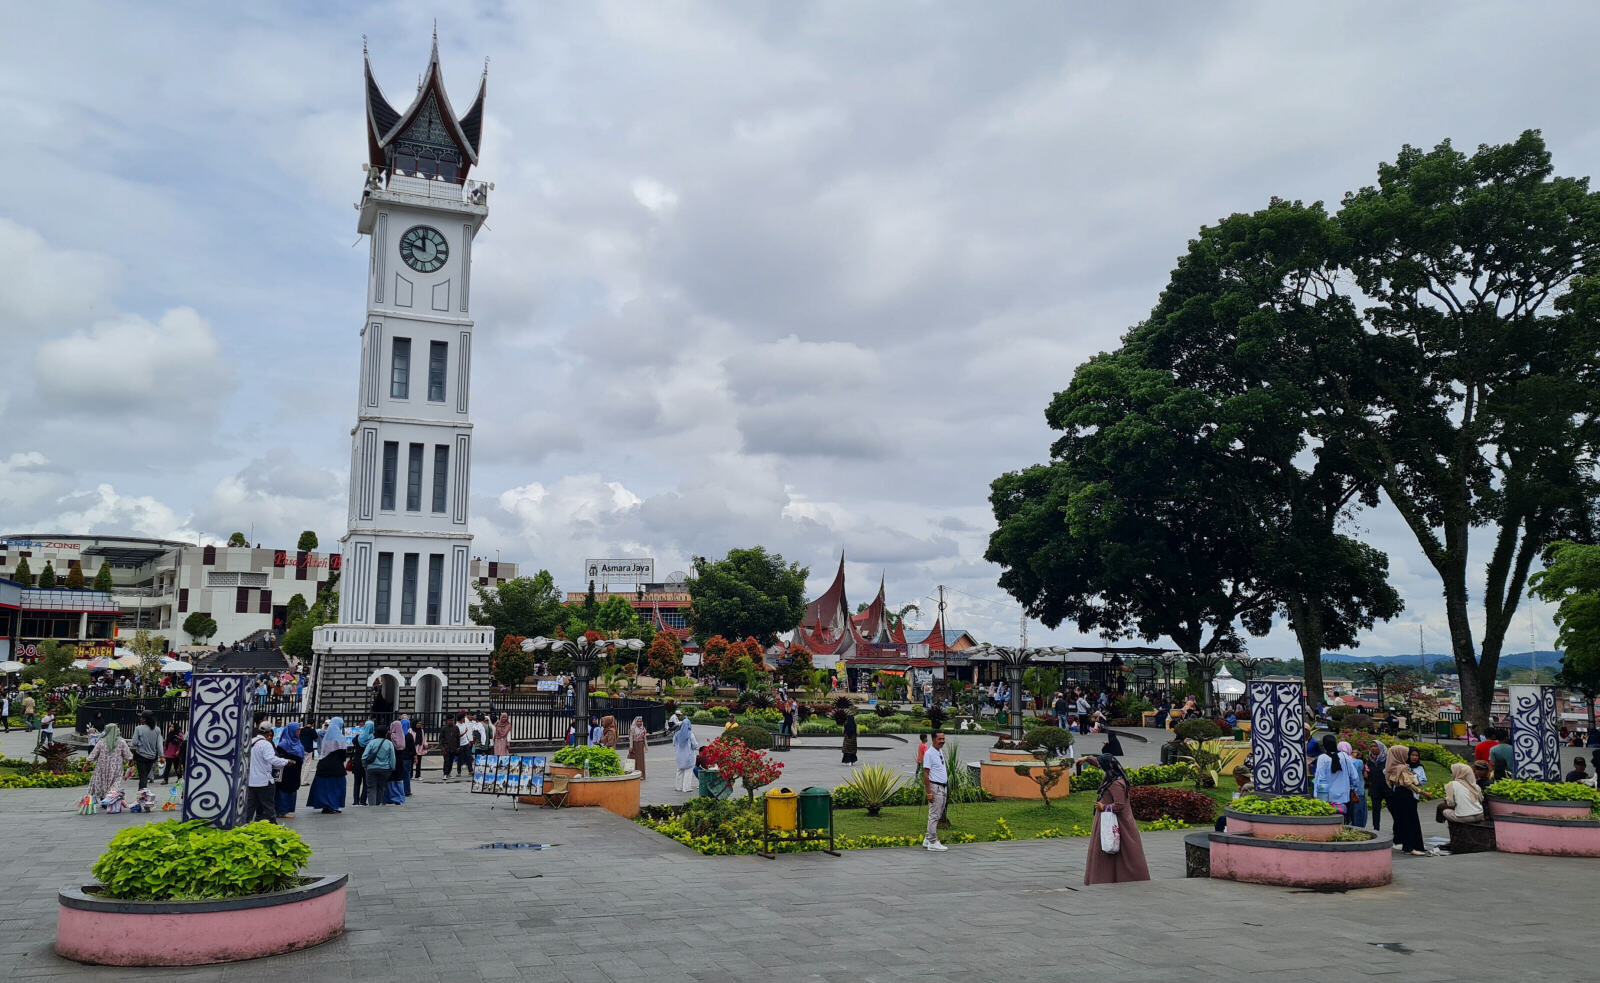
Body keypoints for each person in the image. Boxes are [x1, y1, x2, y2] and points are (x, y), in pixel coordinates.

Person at [1084, 753, 1150, 884]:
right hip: (1109, 820)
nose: (1100, 768)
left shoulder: (1115, 783)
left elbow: (1120, 805)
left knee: (1118, 850)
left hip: (1117, 823)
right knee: (1110, 851)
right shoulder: (1113, 776)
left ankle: (1113, 878)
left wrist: (1104, 807)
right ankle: (1109, 878)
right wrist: (1086, 759)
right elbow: (1100, 761)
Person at [1384, 745, 1429, 856]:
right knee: (1409, 821)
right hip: (1405, 796)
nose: (1407, 756)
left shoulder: (1394, 766)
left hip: (1401, 795)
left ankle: (1413, 846)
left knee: (1408, 821)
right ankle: (1409, 847)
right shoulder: (1400, 768)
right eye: (1406, 753)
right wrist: (1423, 792)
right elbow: (1409, 784)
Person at [245, 725, 289, 824]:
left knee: (250, 806)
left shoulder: (251, 742)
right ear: (269, 733)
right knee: (268, 806)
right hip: (264, 781)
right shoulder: (265, 744)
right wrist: (286, 762)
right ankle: (274, 826)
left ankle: (245, 825)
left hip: (251, 781)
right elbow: (272, 759)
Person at [307, 716, 348, 814]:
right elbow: (343, 755)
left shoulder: (326, 737)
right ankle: (334, 805)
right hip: (337, 766)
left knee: (324, 787)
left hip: (323, 765)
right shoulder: (340, 738)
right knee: (336, 787)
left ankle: (326, 805)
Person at [86, 722, 133, 803]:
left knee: (102, 782)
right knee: (115, 783)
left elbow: (93, 754)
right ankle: (110, 798)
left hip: (102, 767)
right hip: (116, 767)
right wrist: (130, 762)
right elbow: (127, 754)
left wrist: (87, 763)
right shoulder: (121, 742)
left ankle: (104, 798)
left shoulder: (101, 742)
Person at [921, 731, 949, 851]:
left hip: (942, 787)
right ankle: (933, 842)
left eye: (943, 739)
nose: (942, 741)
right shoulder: (929, 754)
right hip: (935, 787)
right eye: (939, 739)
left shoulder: (939, 751)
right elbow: (926, 774)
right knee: (934, 815)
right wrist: (929, 793)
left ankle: (928, 838)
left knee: (936, 814)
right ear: (933, 739)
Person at [1313, 734, 1352, 814]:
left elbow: (1320, 778)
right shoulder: (1344, 756)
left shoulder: (1322, 758)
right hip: (1343, 797)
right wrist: (1354, 788)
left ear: (1324, 745)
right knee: (1343, 820)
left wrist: (1316, 795)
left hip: (1327, 797)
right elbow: (1353, 775)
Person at [273, 723, 305, 819]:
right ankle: (282, 811)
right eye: (297, 730)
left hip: (295, 771)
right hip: (286, 772)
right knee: (284, 789)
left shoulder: (298, 742)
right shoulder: (284, 744)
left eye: (299, 730)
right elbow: (279, 758)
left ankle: (287, 809)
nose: (299, 732)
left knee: (292, 788)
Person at [361, 724, 396, 807]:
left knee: (371, 787)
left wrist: (366, 766)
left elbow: (364, 757)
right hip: (385, 769)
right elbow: (392, 758)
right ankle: (378, 803)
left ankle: (372, 805)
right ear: (386, 733)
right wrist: (392, 768)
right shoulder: (389, 743)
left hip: (371, 768)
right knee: (381, 787)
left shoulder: (371, 742)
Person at [1340, 741, 1368, 828]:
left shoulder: (1339, 760)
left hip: (1344, 791)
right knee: (1358, 814)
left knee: (1347, 813)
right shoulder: (1358, 762)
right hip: (1357, 791)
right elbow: (1357, 777)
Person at [130, 713, 162, 790]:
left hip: (140, 755)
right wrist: (162, 756)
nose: (140, 719)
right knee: (145, 775)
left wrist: (141, 743)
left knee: (142, 776)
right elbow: (159, 744)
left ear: (145, 719)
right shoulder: (157, 729)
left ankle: (142, 793)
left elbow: (134, 742)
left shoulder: (138, 728)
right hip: (152, 756)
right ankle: (142, 792)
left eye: (141, 718)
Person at [673, 716, 699, 792]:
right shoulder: (690, 734)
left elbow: (674, 743)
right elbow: (695, 745)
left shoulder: (677, 734)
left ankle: (678, 787)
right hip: (688, 756)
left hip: (679, 756)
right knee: (688, 771)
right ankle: (686, 788)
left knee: (679, 770)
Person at [351, 721, 375, 804]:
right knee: (366, 782)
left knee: (357, 782)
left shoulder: (358, 737)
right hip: (368, 762)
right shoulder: (373, 739)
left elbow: (353, 743)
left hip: (357, 761)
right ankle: (363, 800)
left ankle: (355, 801)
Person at [385, 720, 409, 803]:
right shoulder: (402, 735)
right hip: (400, 760)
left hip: (392, 759)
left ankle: (392, 797)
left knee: (391, 778)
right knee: (398, 778)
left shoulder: (391, 736)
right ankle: (400, 797)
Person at [1367, 746, 1390, 831]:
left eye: (1375, 746)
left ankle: (1398, 827)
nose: (1373, 748)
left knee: (1393, 808)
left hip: (1387, 788)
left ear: (1380, 748)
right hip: (1375, 788)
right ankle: (1376, 828)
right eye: (1372, 746)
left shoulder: (1387, 759)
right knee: (1375, 810)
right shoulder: (1370, 760)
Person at [439, 712, 461, 779]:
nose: (451, 721)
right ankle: (445, 773)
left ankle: (449, 773)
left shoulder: (456, 728)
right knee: (446, 761)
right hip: (446, 747)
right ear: (447, 721)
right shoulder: (444, 728)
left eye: (452, 720)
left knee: (451, 761)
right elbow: (441, 739)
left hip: (453, 747)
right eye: (450, 720)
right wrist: (442, 747)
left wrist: (458, 747)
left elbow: (458, 738)